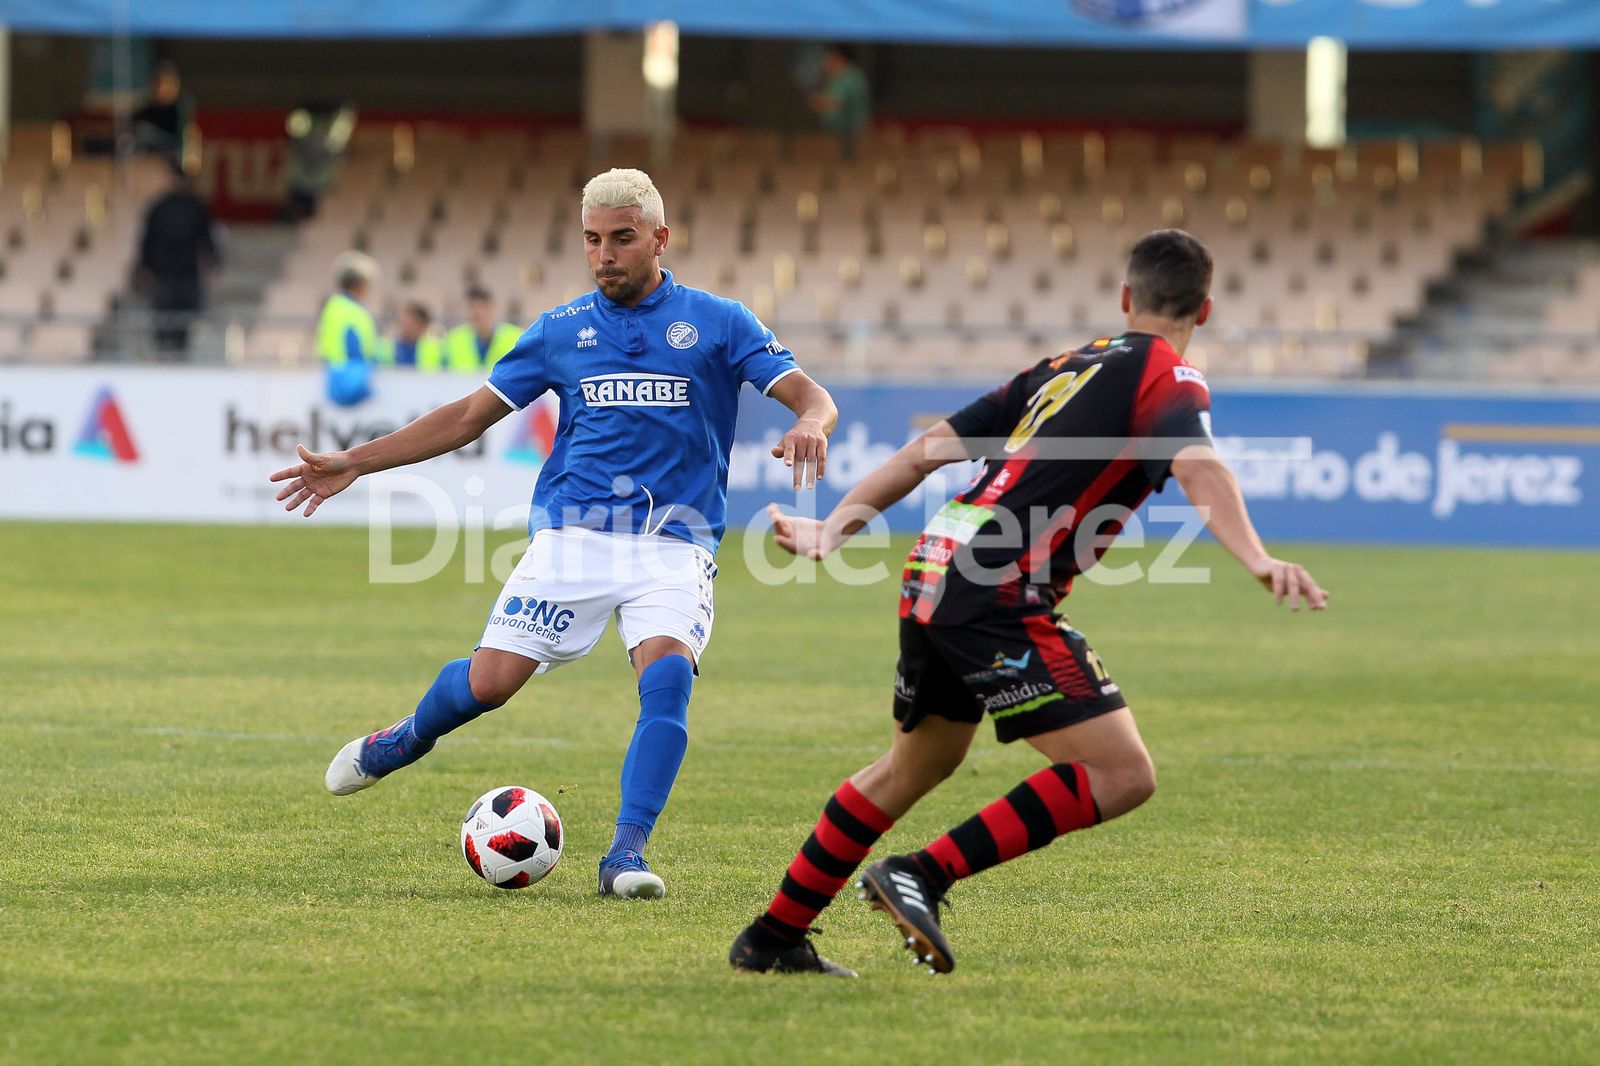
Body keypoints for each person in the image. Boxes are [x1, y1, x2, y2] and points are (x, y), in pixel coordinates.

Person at [728, 229, 1329, 976]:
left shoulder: (1061, 369)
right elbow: (1199, 464)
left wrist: (835, 529)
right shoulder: (1172, 378)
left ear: (1124, 298)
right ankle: (923, 873)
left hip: (937, 566)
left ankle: (772, 937)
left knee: (915, 765)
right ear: (1204, 311)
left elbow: (925, 452)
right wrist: (1256, 556)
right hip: (994, 588)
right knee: (1122, 774)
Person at [270, 168, 838, 899]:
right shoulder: (562, 330)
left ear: (660, 239)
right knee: (489, 685)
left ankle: (624, 858)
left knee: (666, 680)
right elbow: (467, 417)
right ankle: (406, 737)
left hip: (676, 544)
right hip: (574, 538)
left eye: (623, 240)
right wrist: (354, 461)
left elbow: (810, 395)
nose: (605, 255)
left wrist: (810, 423)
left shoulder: (720, 322)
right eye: (593, 240)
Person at [136, 156, 217, 358]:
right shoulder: (166, 207)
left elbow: (206, 238)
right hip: (176, 272)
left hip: (175, 272)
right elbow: (148, 240)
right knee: (176, 317)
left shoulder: (165, 206)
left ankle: (170, 352)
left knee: (172, 317)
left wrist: (145, 266)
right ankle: (173, 352)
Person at [315, 251, 380, 406]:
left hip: (338, 373)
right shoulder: (350, 310)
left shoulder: (336, 306)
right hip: (349, 376)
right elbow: (354, 345)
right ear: (360, 284)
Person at [809, 44, 870, 160]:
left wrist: (816, 101)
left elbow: (836, 103)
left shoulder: (846, 77)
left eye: (828, 58)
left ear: (838, 58)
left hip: (846, 133)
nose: (824, 62)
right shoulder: (854, 75)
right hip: (846, 132)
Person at [442, 286, 521, 372]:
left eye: (482, 306)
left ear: (492, 307)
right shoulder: (453, 339)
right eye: (472, 307)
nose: (477, 312)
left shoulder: (516, 337)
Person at [130, 61, 192, 159]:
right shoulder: (148, 108)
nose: (163, 88)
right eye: (158, 84)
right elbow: (133, 125)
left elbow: (181, 139)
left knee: (144, 133)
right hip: (148, 160)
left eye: (167, 83)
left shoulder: (180, 106)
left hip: (172, 154)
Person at [378, 300, 442, 369]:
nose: (404, 323)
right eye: (404, 319)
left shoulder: (432, 348)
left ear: (422, 325)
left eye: (411, 321)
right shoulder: (389, 347)